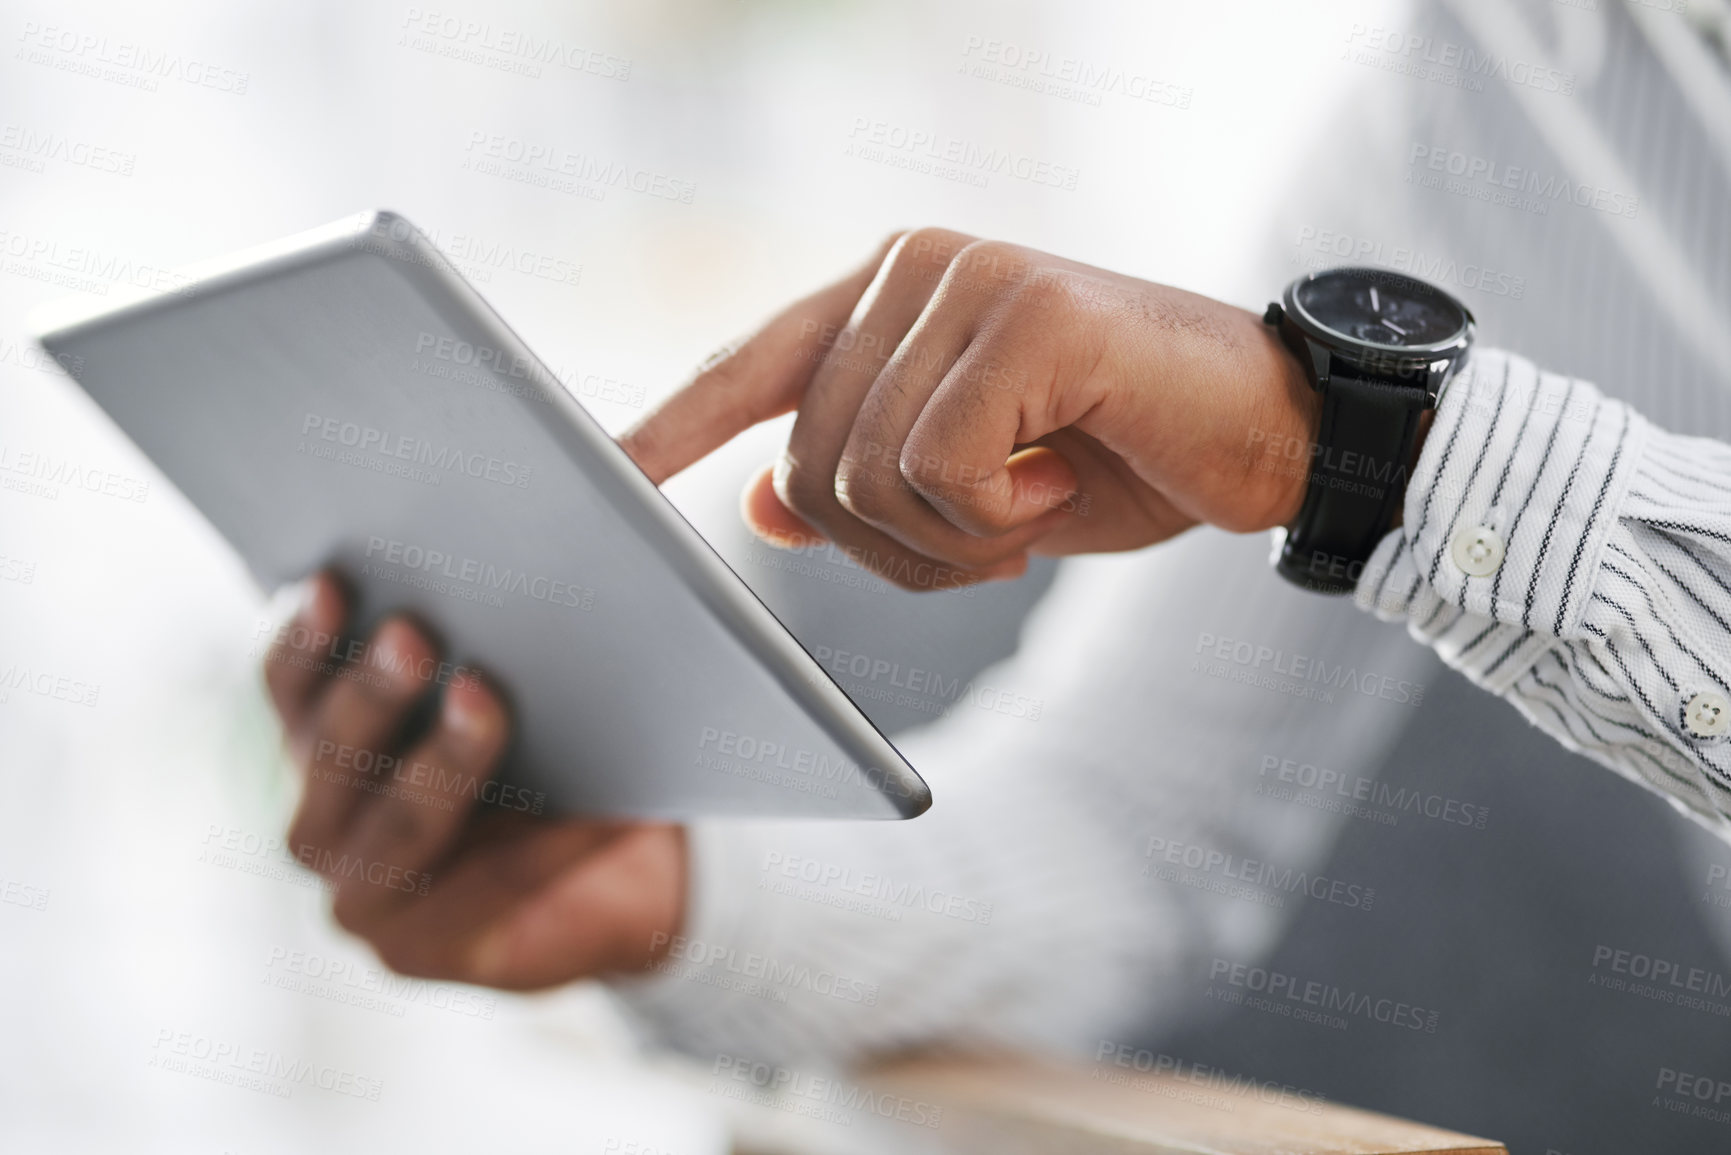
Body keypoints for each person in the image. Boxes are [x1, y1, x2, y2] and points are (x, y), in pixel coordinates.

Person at [263, 0, 1731, 1083]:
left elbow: (1330, 451)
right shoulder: (1479, 94)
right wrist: (671, 895)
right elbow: (1138, 837)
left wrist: (1353, 454)